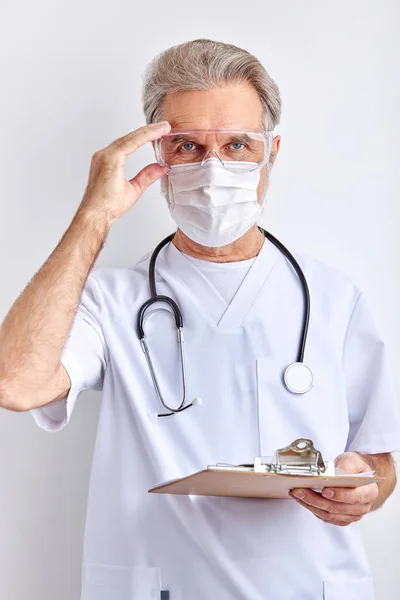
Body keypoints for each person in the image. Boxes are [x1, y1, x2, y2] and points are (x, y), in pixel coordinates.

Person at [0, 38, 399, 600]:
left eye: (238, 144)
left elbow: (380, 464)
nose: (215, 170)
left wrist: (365, 489)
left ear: (272, 153)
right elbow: (14, 382)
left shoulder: (334, 297)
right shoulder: (109, 300)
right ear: (157, 159)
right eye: (187, 145)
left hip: (310, 586)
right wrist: (95, 214)